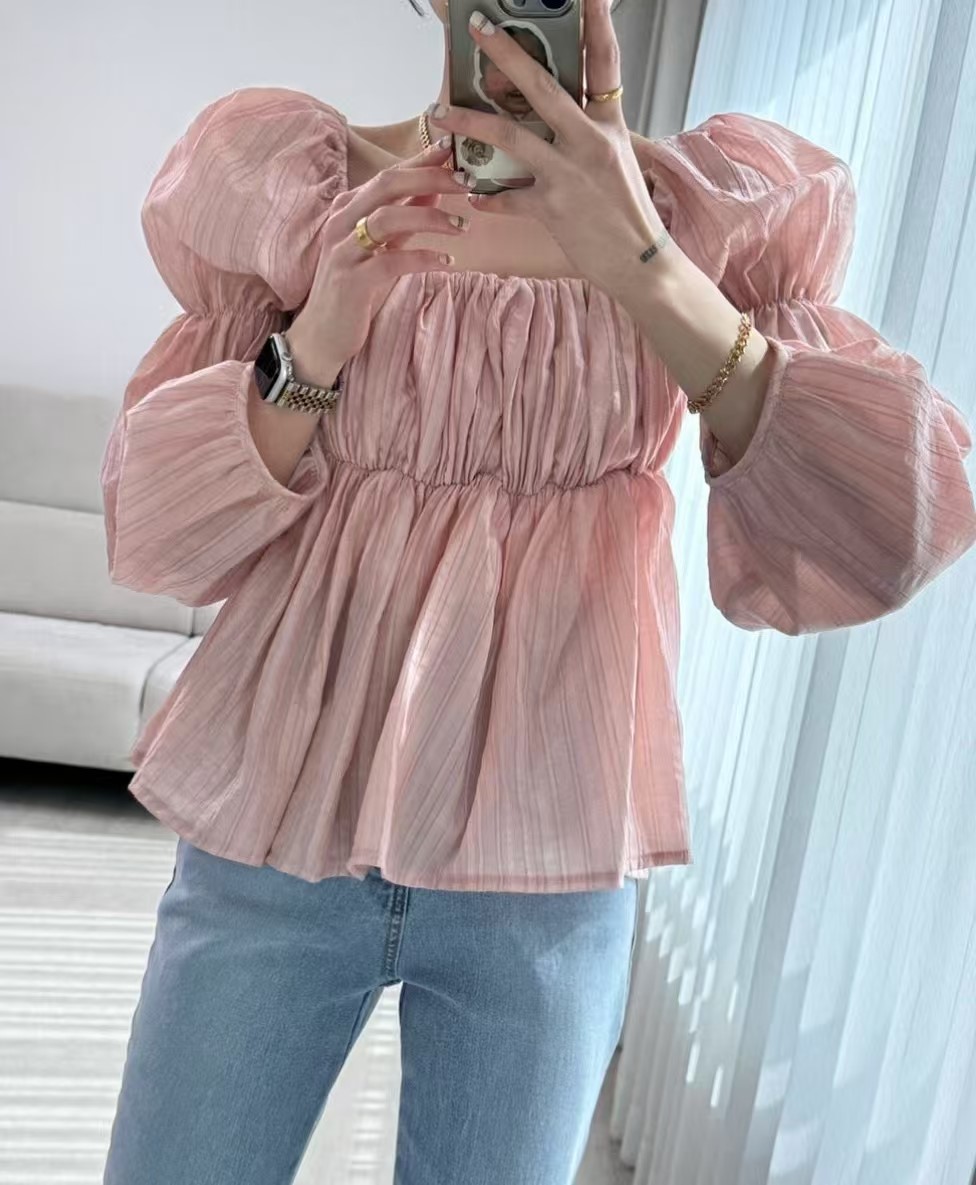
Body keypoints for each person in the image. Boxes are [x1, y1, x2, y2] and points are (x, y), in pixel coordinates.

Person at [100, 0, 976, 1180]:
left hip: (548, 865)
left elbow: (896, 524)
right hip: (276, 818)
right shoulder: (294, 188)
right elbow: (159, 532)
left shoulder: (716, 215)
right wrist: (318, 343)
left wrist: (647, 264)